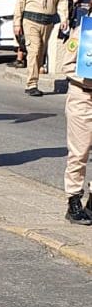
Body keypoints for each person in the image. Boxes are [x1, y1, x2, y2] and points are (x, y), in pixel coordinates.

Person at [13, 0, 69, 97]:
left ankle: (33, 78)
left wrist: (64, 18)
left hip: (47, 22)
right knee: (35, 50)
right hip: (31, 20)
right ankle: (31, 84)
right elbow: (20, 1)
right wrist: (17, 23)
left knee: (40, 53)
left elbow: (61, 0)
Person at [59, 16, 92, 224]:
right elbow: (67, 65)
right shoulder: (85, 31)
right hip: (83, 96)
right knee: (79, 152)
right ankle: (73, 200)